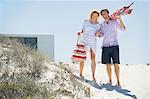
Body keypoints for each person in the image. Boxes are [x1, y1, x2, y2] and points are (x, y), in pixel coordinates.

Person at [97, 9, 126, 85]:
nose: (104, 15)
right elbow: (101, 35)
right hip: (105, 46)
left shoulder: (114, 22)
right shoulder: (102, 25)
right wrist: (98, 34)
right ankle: (110, 80)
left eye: (105, 13)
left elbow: (123, 29)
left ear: (108, 13)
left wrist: (119, 18)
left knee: (116, 64)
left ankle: (118, 81)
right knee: (107, 65)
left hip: (114, 46)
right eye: (103, 14)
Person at [78, 11, 100, 82]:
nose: (95, 17)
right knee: (82, 58)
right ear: (91, 15)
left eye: (96, 16)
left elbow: (98, 34)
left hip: (93, 42)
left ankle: (93, 76)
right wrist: (80, 32)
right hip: (85, 41)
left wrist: (98, 34)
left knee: (93, 58)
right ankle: (80, 73)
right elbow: (82, 30)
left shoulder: (98, 24)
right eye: (94, 15)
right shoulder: (86, 22)